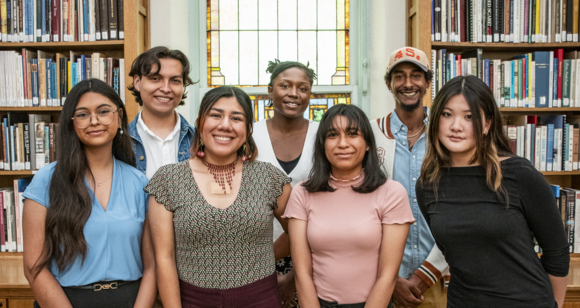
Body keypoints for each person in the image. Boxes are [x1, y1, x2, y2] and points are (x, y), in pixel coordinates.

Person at [416, 76, 570, 308]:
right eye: (447, 114)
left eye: (469, 117)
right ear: (436, 119)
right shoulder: (428, 185)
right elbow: (452, 251)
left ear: (487, 124)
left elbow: (556, 251)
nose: (456, 126)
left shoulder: (519, 174)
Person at [147, 86, 293, 307]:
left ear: (248, 130)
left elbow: (300, 235)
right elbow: (163, 258)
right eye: (215, 115)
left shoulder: (269, 178)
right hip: (192, 301)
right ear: (199, 122)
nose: (225, 125)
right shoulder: (168, 180)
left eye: (236, 118)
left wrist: (262, 260)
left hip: (261, 298)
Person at [22, 79, 156, 308]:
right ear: (71, 123)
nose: (94, 121)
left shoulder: (140, 183)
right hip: (65, 301)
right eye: (83, 114)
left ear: (119, 116)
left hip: (130, 301)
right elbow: (34, 266)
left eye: (104, 111)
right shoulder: (46, 180)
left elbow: (152, 266)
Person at [284, 104, 414, 308]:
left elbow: (387, 276)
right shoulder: (302, 193)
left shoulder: (391, 193)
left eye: (353, 134)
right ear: (322, 144)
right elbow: (302, 274)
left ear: (368, 143)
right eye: (333, 135)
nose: (343, 143)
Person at [372, 47, 448, 308]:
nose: (408, 83)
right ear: (389, 83)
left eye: (416, 75)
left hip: (441, 277)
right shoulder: (369, 135)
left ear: (427, 82)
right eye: (399, 76)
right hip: (379, 280)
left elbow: (459, 212)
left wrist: (425, 274)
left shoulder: (448, 137)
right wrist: (391, 279)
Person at [253, 59, 319, 305]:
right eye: (285, 85)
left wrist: (294, 274)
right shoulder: (248, 135)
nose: (294, 93)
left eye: (303, 88)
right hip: (255, 256)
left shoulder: (324, 135)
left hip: (313, 255)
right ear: (270, 90)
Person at [127, 46, 196, 179]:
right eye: (155, 79)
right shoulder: (119, 142)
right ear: (137, 82)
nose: (165, 88)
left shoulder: (201, 141)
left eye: (175, 81)